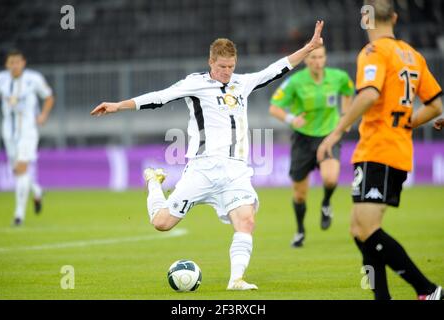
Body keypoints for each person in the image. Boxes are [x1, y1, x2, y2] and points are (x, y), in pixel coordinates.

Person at [91, 21, 324, 290]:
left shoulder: (242, 83)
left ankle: (236, 279)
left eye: (231, 67)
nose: (227, 72)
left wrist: (308, 48)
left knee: (246, 222)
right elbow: (160, 97)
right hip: (202, 169)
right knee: (162, 223)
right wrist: (119, 106)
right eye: (222, 67)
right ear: (211, 62)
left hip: (236, 170)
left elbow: (277, 68)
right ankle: (154, 182)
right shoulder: (195, 84)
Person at [317, 0, 442, 300]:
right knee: (359, 229)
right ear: (395, 18)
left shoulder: (374, 52)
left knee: (367, 229)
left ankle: (428, 290)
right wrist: (406, 121)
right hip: (390, 148)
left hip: (380, 150)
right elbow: (436, 105)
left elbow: (369, 94)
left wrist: (337, 131)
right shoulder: (413, 55)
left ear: (365, 19)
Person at [269, 44, 354, 248]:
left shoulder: (338, 77)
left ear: (325, 58)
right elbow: (274, 107)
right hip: (302, 139)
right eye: (313, 57)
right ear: (306, 60)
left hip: (329, 136)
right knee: (299, 194)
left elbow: (348, 92)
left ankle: (326, 204)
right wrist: (291, 119)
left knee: (330, 178)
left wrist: (345, 117)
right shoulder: (295, 82)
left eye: (321, 57)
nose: (317, 61)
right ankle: (300, 231)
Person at [0, 49, 54, 226]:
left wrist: (43, 115)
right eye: (11, 62)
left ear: (23, 63)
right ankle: (37, 191)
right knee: (18, 171)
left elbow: (49, 97)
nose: (14, 65)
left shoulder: (33, 79)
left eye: (17, 62)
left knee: (20, 169)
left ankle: (18, 215)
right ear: (7, 64)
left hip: (28, 131)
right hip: (8, 131)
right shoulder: (0, 80)